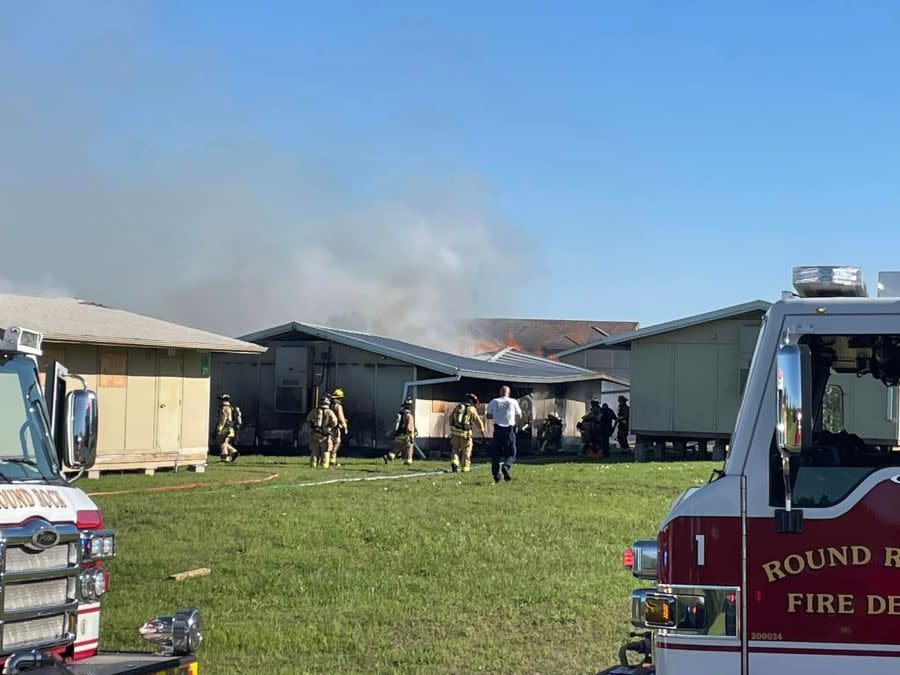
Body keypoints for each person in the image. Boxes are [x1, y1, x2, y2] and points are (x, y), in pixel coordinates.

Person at [485, 386, 522, 483]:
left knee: (496, 454)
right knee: (511, 453)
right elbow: (519, 415)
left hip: (498, 430)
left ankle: (496, 476)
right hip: (509, 430)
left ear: (500, 393)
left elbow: (488, 415)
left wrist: (497, 415)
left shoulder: (494, 401)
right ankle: (506, 466)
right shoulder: (513, 401)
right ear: (508, 393)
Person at [449, 393, 485, 473]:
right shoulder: (471, 409)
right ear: (472, 401)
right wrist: (482, 430)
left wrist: (452, 428)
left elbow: (450, 418)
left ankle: (454, 463)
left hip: (455, 433)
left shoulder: (458, 406)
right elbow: (477, 421)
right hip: (465, 435)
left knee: (455, 449)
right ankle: (465, 468)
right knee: (466, 451)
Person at [307, 394, 339, 468]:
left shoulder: (314, 410)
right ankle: (324, 466)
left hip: (315, 434)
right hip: (326, 435)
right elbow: (335, 422)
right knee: (326, 451)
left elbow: (308, 419)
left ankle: (313, 465)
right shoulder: (329, 412)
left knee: (314, 451)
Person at [385, 397, 416, 465]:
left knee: (398, 447)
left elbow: (395, 425)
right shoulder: (409, 416)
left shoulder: (400, 415)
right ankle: (408, 461)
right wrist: (411, 437)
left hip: (398, 435)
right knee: (409, 447)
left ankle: (389, 456)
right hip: (406, 435)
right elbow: (409, 428)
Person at [215, 393, 239, 463]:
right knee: (224, 442)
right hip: (230, 427)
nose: (219, 401)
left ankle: (225, 459)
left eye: (221, 400)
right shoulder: (230, 407)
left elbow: (223, 419)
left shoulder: (224, 408)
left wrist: (219, 429)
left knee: (223, 442)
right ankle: (234, 452)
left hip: (226, 428)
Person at [329, 388, 349, 466]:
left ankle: (325, 458)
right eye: (341, 398)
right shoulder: (338, 406)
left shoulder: (329, 405)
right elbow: (341, 417)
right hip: (335, 427)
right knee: (337, 442)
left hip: (326, 427)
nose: (341, 399)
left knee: (328, 443)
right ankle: (332, 459)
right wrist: (345, 426)